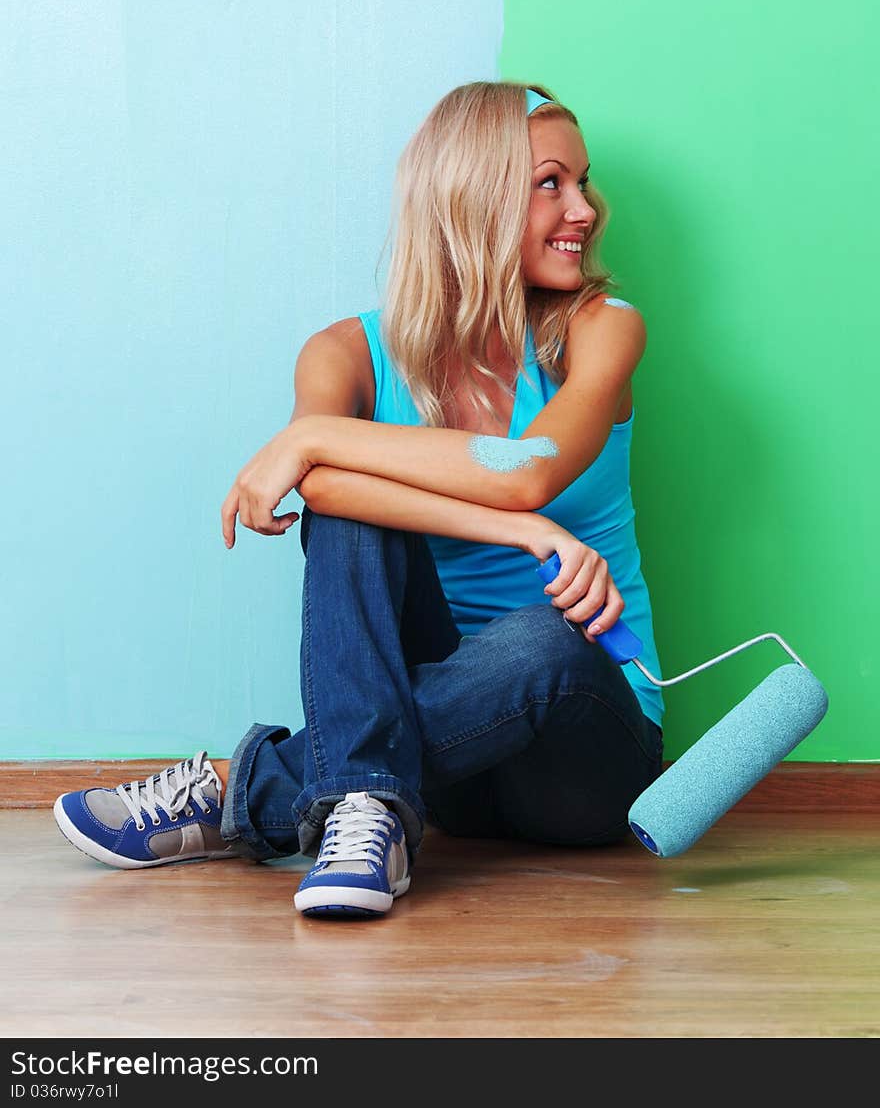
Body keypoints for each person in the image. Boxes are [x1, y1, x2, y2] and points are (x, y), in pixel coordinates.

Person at [53, 81, 664, 918]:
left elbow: (527, 468)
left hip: (584, 748)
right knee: (348, 509)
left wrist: (309, 438)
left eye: (582, 182)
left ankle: (248, 793)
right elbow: (330, 490)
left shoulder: (600, 327)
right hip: (449, 773)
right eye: (550, 184)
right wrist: (514, 530)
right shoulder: (348, 353)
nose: (585, 209)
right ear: (471, 199)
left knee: (542, 642)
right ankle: (367, 805)